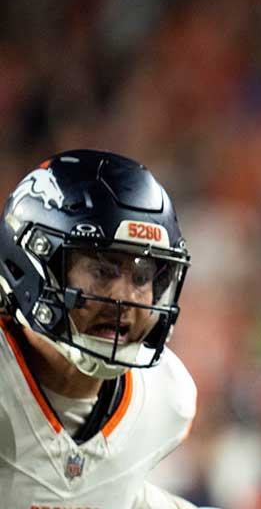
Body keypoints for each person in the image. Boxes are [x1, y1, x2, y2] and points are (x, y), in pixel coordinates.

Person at [0, 150, 200, 508]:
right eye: (103, 270)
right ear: (32, 263)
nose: (125, 298)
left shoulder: (166, 397)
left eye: (142, 276)